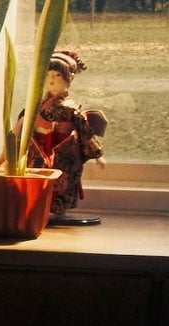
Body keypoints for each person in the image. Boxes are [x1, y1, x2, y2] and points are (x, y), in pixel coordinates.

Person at [30, 47, 110, 222]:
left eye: (57, 75)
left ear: (70, 78)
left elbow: (84, 131)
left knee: (63, 181)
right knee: (38, 179)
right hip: (40, 149)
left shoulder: (72, 109)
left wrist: (97, 155)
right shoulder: (37, 106)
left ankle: (58, 210)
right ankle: (39, 209)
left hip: (64, 152)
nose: (51, 80)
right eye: (48, 75)